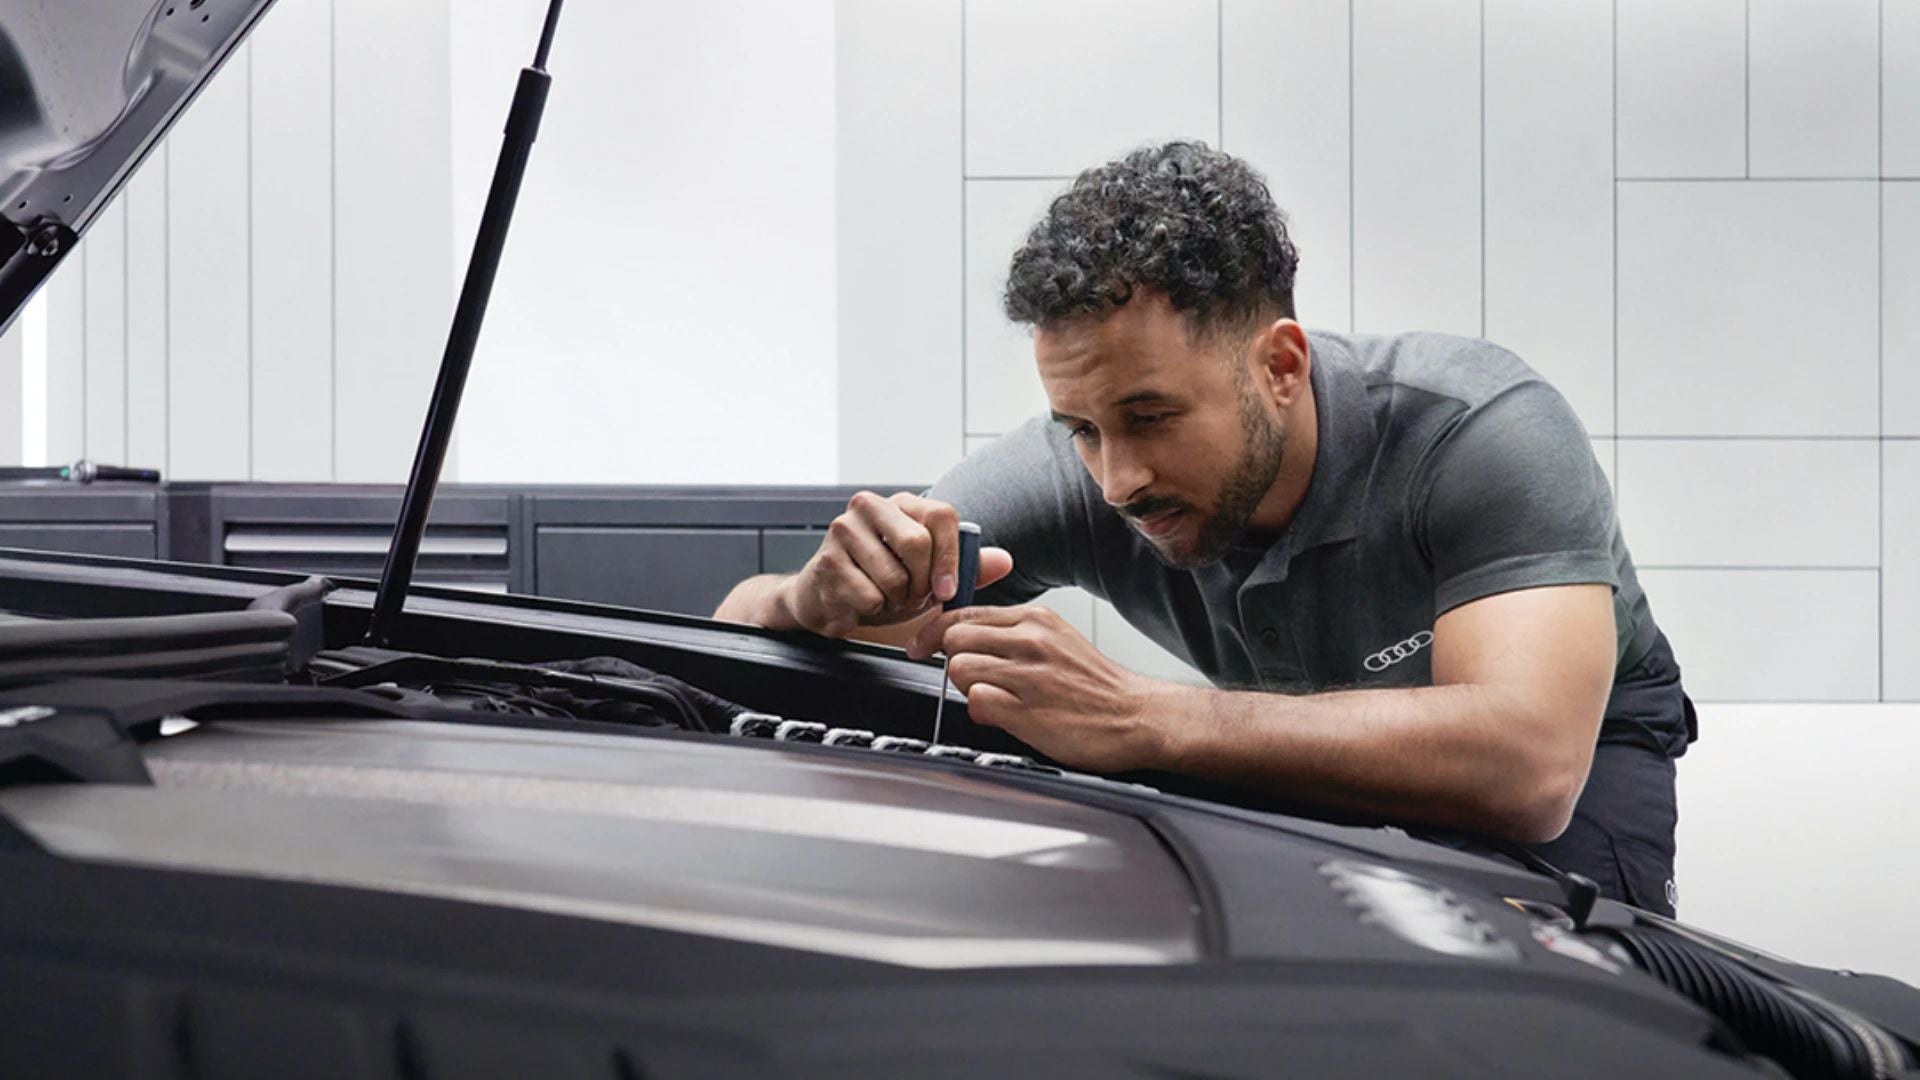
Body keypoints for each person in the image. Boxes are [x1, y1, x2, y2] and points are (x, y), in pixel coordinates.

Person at [715, 141, 1695, 914]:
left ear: (1280, 367)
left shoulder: (1480, 430)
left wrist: (1140, 718)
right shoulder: (1078, 469)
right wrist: (812, 598)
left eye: (1151, 417)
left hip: (1579, 762)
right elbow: (740, 632)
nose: (1117, 479)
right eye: (1081, 429)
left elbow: (1528, 767)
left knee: (1557, 997)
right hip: (1285, 750)